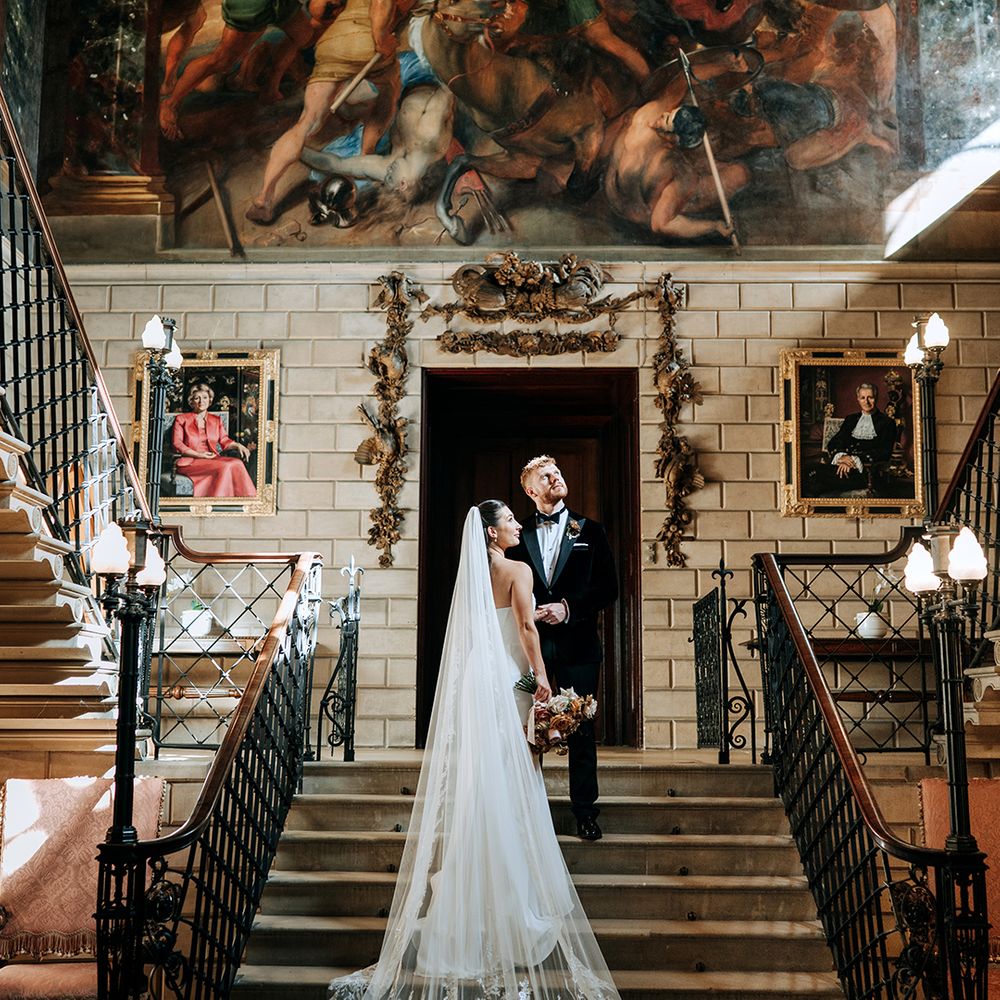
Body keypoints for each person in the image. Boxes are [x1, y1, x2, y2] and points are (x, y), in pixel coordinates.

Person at [328, 503, 621, 1000]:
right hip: (508, 680)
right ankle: (510, 901)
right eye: (509, 521)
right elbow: (526, 629)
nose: (517, 525)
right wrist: (543, 679)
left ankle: (472, 896)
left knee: (481, 783)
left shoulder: (471, 577)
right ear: (491, 532)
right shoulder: (517, 569)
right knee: (511, 780)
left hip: (476, 680)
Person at [507, 456, 617, 842]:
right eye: (545, 476)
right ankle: (523, 815)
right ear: (531, 490)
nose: (555, 478)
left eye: (557, 473)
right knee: (525, 726)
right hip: (528, 645)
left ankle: (585, 812)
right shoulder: (517, 535)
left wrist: (568, 608)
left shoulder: (591, 531)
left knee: (582, 728)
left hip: (579, 645)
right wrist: (531, 611)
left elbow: (608, 588)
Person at [806, 382, 897, 497]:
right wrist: (843, 457)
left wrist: (854, 460)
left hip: (865, 472)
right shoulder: (851, 419)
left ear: (876, 398)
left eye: (870, 397)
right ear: (858, 399)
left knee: (816, 477)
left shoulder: (887, 423)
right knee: (810, 471)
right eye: (862, 398)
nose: (866, 402)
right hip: (842, 466)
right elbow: (835, 442)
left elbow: (884, 452)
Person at [171, 383, 257, 497]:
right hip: (190, 461)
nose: (201, 401)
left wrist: (238, 445)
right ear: (191, 401)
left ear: (210, 400)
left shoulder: (216, 420)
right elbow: (177, 444)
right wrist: (199, 455)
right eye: (197, 398)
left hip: (212, 458)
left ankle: (247, 500)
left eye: (205, 397)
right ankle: (218, 502)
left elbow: (224, 440)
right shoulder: (181, 419)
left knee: (237, 463)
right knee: (226, 466)